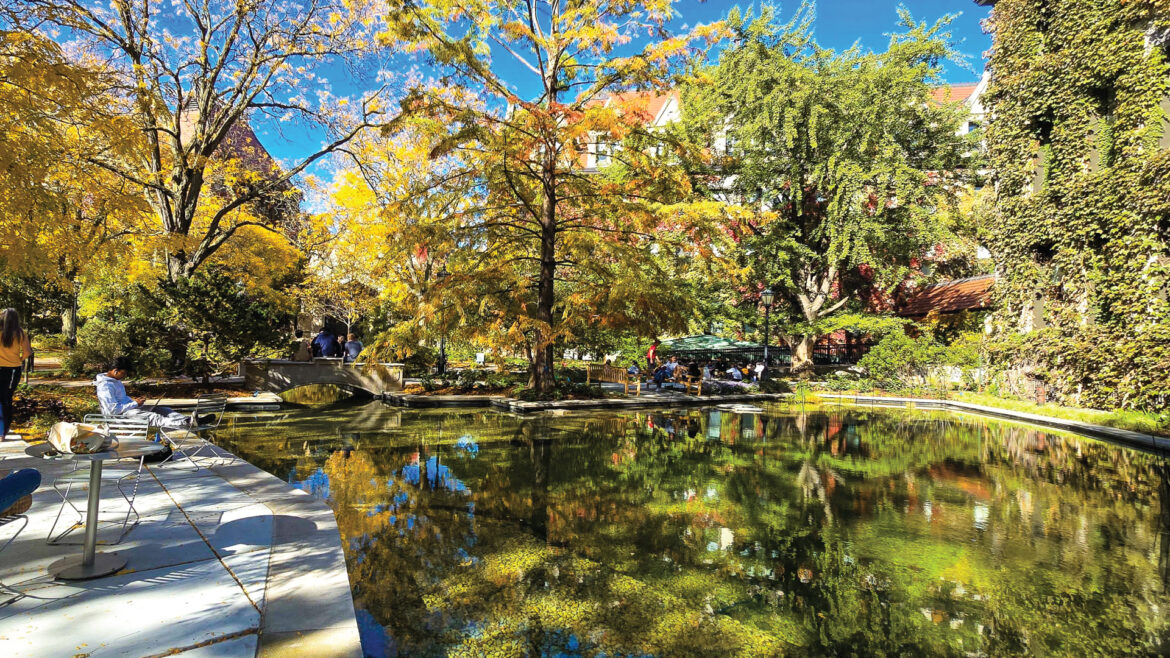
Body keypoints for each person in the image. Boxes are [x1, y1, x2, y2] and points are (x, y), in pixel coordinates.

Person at [95, 357, 189, 429]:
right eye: (123, 373)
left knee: (162, 410)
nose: (125, 376)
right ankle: (184, 423)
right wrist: (135, 404)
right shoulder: (105, 386)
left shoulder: (115, 381)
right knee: (152, 417)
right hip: (118, 416)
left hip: (128, 410)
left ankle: (187, 420)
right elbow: (112, 410)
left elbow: (121, 399)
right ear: (115, 371)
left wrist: (134, 401)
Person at [0, 309, 32, 440]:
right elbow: (27, 352)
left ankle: (2, 430)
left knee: (2, 399)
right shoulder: (20, 333)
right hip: (13, 369)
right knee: (7, 398)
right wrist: (19, 359)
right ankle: (3, 430)